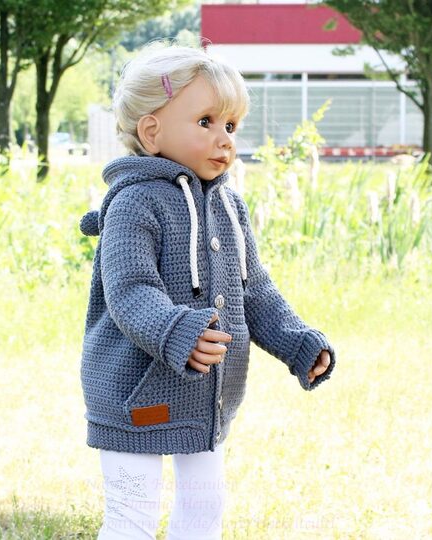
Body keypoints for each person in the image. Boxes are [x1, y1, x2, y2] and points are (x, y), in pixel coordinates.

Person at [78, 43, 336, 539]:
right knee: (132, 514)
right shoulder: (133, 203)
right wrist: (179, 330)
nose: (224, 139)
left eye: (231, 126)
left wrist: (297, 342)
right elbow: (130, 291)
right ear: (151, 131)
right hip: (135, 392)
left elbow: (255, 292)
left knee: (205, 507)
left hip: (206, 397)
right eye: (206, 122)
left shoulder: (229, 208)